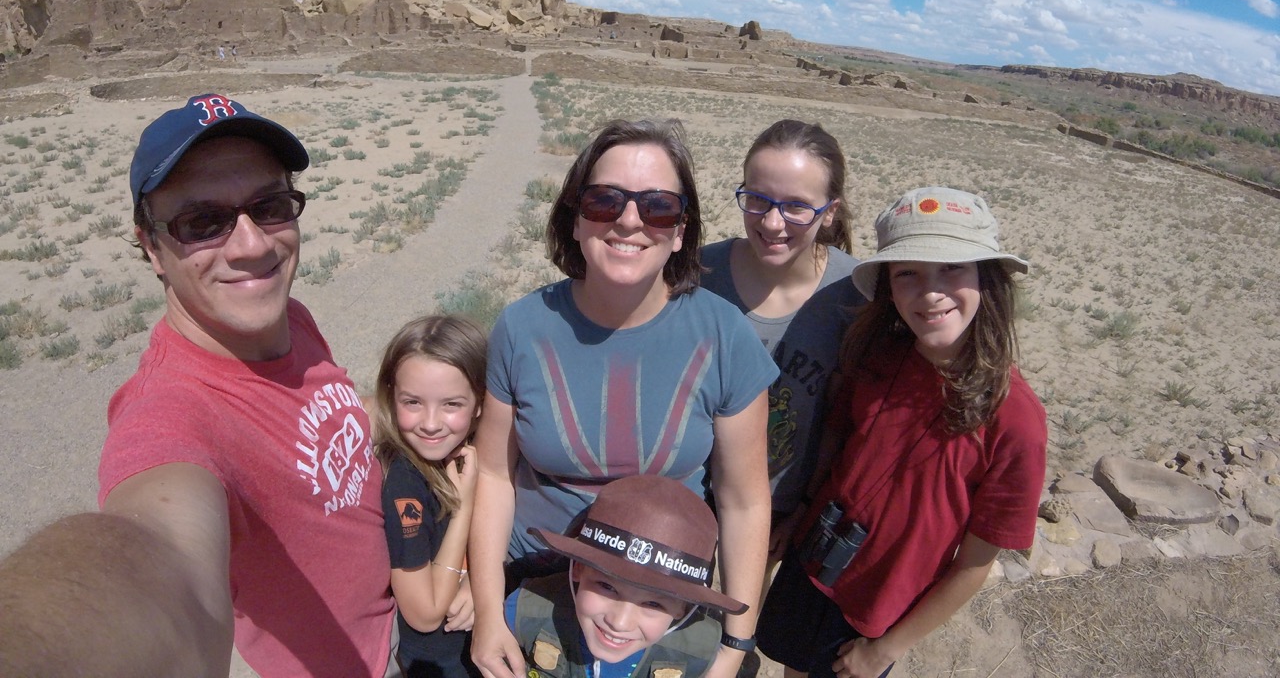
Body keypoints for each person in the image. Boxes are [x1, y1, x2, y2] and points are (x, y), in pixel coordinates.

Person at [0, 93, 396, 678]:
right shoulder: (170, 413)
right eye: (203, 222)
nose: (253, 245)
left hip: (409, 610)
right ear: (151, 246)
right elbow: (157, 554)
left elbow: (319, 424)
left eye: (270, 206)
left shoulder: (290, 319)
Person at [470, 118, 777, 678]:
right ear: (575, 217)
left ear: (680, 231)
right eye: (604, 200)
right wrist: (489, 612)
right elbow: (493, 475)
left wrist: (734, 646)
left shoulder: (724, 336)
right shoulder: (522, 327)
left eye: (658, 207)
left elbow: (745, 502)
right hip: (531, 584)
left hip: (654, 602)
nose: (630, 220)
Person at [756, 187, 1047, 678]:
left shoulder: (1015, 418)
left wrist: (886, 649)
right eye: (908, 273)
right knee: (793, 665)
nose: (931, 292)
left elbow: (974, 564)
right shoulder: (878, 355)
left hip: (878, 606)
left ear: (987, 278)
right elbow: (837, 441)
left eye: (952, 268)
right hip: (815, 557)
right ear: (888, 287)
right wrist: (802, 511)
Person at [700, 120, 864, 563]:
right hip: (692, 497)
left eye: (796, 207)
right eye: (758, 199)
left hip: (785, 510)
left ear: (830, 211)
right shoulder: (699, 276)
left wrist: (806, 509)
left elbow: (842, 421)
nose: (772, 222)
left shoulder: (854, 297)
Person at [506, 475, 747, 678]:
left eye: (653, 603)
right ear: (578, 567)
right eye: (607, 587)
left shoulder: (699, 654)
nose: (620, 623)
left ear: (684, 607)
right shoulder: (524, 611)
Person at [374, 315, 487, 678]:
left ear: (480, 403)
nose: (431, 423)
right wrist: (463, 506)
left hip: (475, 646)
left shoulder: (476, 451)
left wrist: (478, 581)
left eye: (451, 404)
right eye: (413, 402)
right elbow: (424, 614)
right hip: (437, 662)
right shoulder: (404, 484)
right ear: (391, 396)